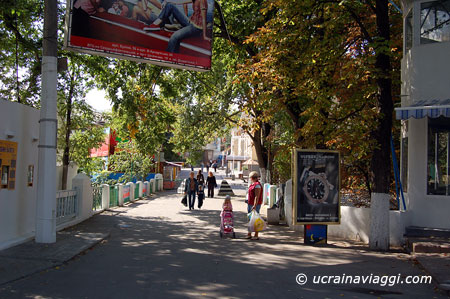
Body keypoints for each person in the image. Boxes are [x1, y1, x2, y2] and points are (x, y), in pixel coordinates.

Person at [143, 0, 211, 53]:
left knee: (174, 37)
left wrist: (204, 36)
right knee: (170, 5)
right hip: (190, 22)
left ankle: (169, 56)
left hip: (196, 28)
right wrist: (168, 1)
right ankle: (157, 24)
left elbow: (204, 19)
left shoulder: (203, 1)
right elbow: (180, 2)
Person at [247, 171, 263, 240]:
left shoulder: (257, 185)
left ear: (252, 178)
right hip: (250, 203)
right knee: (250, 219)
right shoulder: (253, 184)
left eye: (250, 177)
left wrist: (255, 205)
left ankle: (256, 234)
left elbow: (257, 196)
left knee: (255, 220)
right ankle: (249, 233)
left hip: (254, 204)